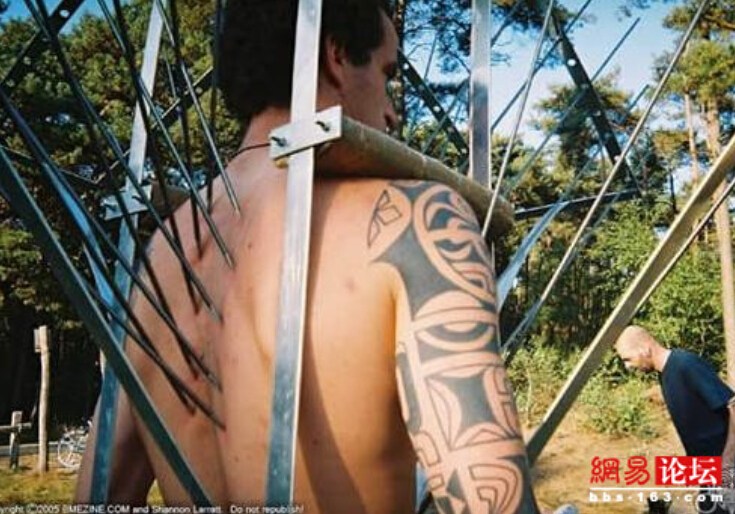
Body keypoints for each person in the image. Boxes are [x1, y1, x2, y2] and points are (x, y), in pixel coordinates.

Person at [75, 1, 568, 512]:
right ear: (336, 55)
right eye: (386, 73)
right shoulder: (418, 223)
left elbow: (100, 497)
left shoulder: (162, 254)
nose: (392, 112)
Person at [615, 325, 735, 513]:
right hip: (708, 471)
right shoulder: (664, 375)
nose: (628, 366)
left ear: (644, 348)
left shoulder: (686, 365)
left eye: (628, 359)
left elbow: (733, 405)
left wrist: (727, 460)